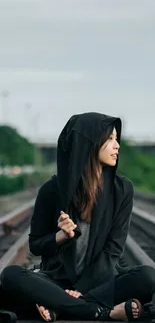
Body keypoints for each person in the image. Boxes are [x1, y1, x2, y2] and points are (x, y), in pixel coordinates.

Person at [1, 112, 155, 322]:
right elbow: (36, 245)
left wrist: (82, 291)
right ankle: (102, 312)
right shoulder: (51, 191)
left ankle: (60, 307)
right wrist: (60, 237)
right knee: (11, 275)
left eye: (116, 139)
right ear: (90, 143)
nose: (117, 145)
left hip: (102, 281)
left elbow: (113, 250)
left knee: (148, 276)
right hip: (56, 281)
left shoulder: (122, 189)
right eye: (109, 139)